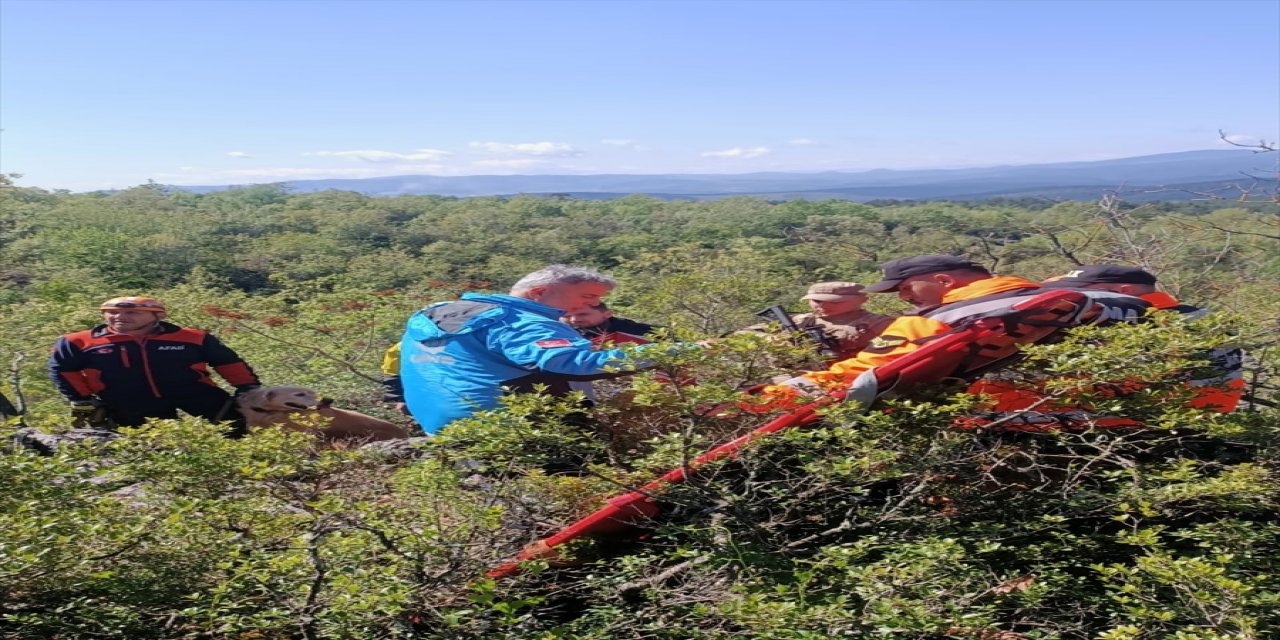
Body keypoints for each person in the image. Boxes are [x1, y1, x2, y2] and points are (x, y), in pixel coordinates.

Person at [758, 255, 1149, 406]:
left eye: (907, 288)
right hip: (1149, 415)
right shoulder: (1100, 301)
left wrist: (762, 398)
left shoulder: (945, 317)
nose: (904, 299)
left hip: (1018, 423)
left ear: (943, 280)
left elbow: (855, 378)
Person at [399, 265, 658, 434]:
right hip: (513, 428)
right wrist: (676, 352)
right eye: (588, 297)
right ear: (538, 293)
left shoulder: (439, 311)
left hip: (442, 426)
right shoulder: (520, 322)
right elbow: (576, 365)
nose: (596, 303)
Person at [1042, 264, 1244, 411]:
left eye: (1081, 291)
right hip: (1212, 414)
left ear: (1124, 291)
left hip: (1147, 422)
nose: (1075, 296)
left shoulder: (1134, 321)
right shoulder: (1202, 315)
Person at [49, 296, 261, 433]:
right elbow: (63, 370)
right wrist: (81, 399)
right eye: (112, 312)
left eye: (132, 312)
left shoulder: (193, 337)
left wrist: (247, 388)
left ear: (158, 315)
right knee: (153, 447)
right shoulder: (77, 341)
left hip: (199, 394)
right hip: (129, 402)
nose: (119, 317)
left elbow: (227, 362)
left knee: (236, 431)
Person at [793, 282, 895, 357]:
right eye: (817, 300)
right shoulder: (800, 321)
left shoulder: (882, 324)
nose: (823, 305)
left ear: (863, 300)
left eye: (834, 301)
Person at [563, 302, 658, 346]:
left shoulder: (633, 329)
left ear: (608, 314)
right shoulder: (567, 336)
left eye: (583, 314)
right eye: (568, 316)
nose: (574, 319)